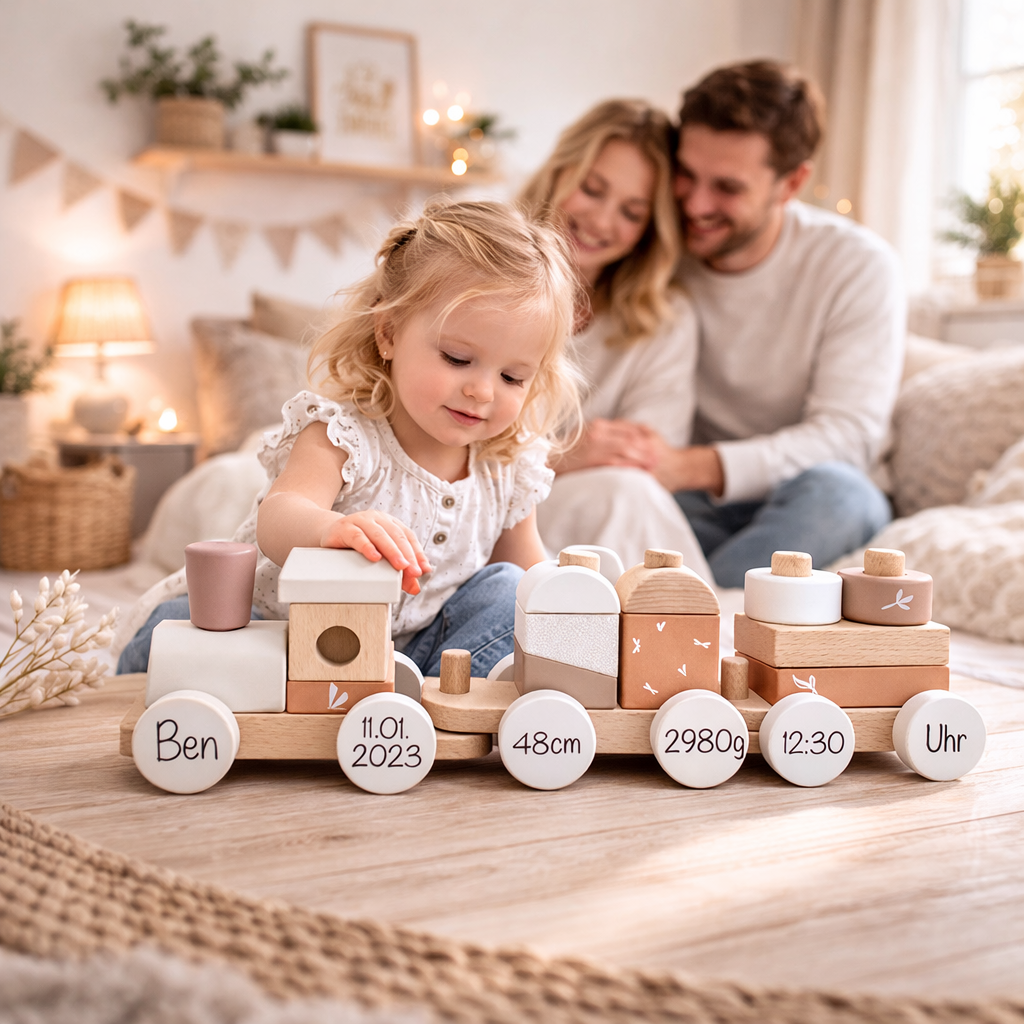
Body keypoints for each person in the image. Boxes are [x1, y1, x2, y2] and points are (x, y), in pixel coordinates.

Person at [118, 199, 581, 678]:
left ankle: (434, 705)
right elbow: (277, 518)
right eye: (457, 358)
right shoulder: (342, 435)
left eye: (513, 377)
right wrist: (326, 530)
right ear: (388, 333)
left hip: (412, 660)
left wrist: (572, 606)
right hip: (283, 639)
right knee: (176, 626)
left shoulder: (506, 466)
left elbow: (525, 578)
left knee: (512, 592)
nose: (482, 390)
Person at [652, 61, 902, 587]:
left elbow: (849, 436)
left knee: (841, 494)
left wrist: (693, 465)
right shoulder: (656, 253)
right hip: (693, 505)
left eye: (727, 187)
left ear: (792, 182)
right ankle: (707, 605)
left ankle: (701, 622)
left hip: (804, 502)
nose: (696, 204)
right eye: (687, 175)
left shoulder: (855, 264)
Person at [519, 99, 712, 580]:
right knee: (622, 495)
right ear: (560, 174)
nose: (602, 222)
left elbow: (642, 456)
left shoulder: (664, 320)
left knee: (627, 492)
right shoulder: (484, 274)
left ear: (651, 227)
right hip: (488, 507)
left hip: (603, 517)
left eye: (631, 211)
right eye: (592, 189)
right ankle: (696, 633)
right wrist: (561, 455)